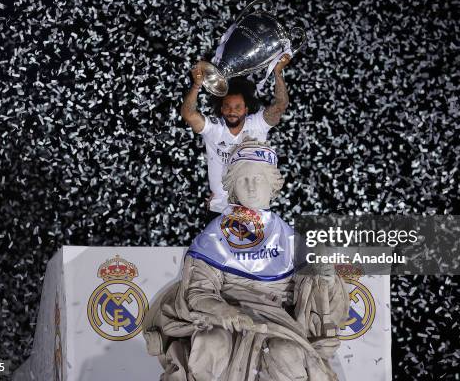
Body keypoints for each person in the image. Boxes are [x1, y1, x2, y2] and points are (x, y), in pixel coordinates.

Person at [142, 139, 350, 381]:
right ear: (233, 187)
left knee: (287, 353)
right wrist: (223, 310)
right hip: (225, 320)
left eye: (258, 179)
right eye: (243, 179)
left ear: (272, 186)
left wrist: (327, 280)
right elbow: (199, 293)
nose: (251, 187)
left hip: (277, 324)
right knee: (210, 343)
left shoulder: (292, 240)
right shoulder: (215, 236)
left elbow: (316, 298)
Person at [180, 55, 291, 217]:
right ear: (221, 109)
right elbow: (188, 114)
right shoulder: (214, 129)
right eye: (227, 106)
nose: (232, 111)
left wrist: (277, 73)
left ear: (246, 109)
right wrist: (197, 85)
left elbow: (280, 105)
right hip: (219, 210)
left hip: (255, 208)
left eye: (238, 107)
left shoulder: (257, 125)